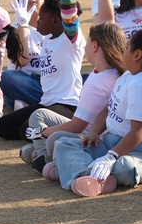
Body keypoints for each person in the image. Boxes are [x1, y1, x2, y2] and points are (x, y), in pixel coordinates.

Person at [53, 30, 142, 197]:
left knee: (124, 167)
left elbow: (138, 132)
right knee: (63, 143)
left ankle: (78, 171)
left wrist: (111, 156)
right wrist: (94, 132)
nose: (122, 52)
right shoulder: (127, 76)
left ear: (137, 55)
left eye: (126, 48)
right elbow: (107, 109)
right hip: (112, 144)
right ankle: (88, 175)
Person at [23, 22, 125, 178]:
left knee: (54, 139)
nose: (84, 47)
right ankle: (42, 153)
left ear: (95, 45)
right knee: (39, 115)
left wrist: (43, 132)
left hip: (91, 138)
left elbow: (78, 126)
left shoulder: (100, 82)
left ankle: (45, 157)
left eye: (88, 41)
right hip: (92, 132)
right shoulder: (107, 72)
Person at [0, 0, 85, 141]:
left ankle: (70, 130)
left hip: (68, 105)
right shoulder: (47, 40)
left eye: (42, 17)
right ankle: (53, 132)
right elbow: (19, 59)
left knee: (28, 127)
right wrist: (22, 25)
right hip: (46, 103)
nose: (38, 21)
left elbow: (71, 18)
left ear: (56, 20)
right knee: (2, 127)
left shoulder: (70, 40)